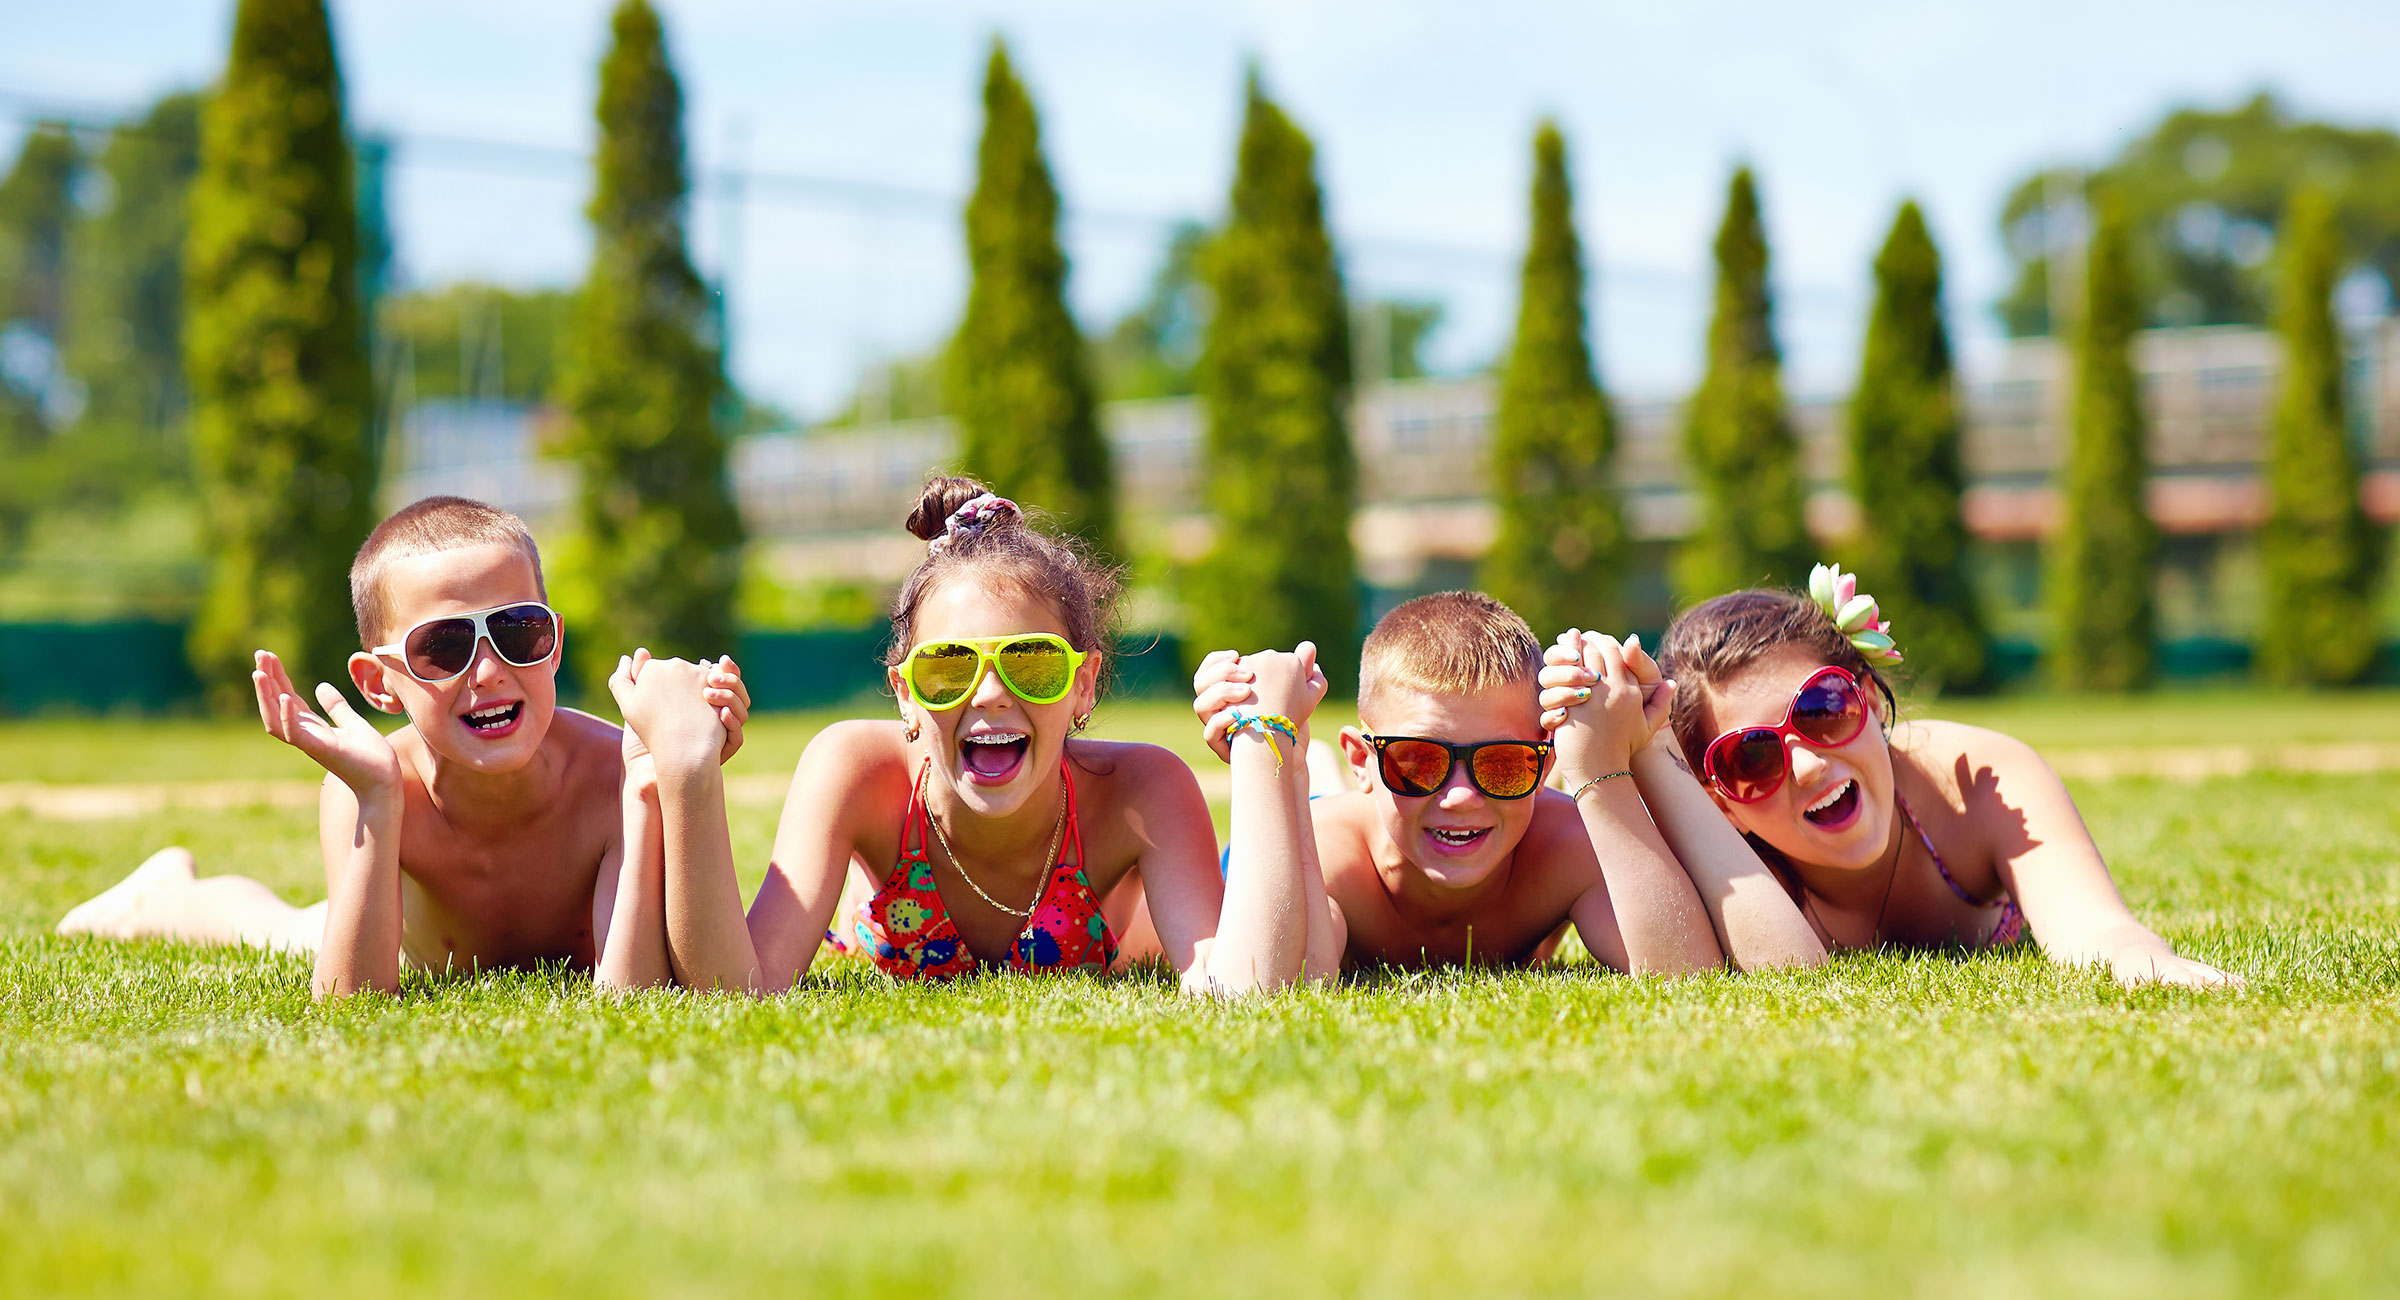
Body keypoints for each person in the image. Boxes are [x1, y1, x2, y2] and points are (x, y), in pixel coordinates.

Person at [608, 476, 1327, 996]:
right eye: (948, 668)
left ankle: (1317, 775)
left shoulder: (1142, 791)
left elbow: (1243, 991)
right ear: (905, 694)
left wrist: (1265, 743)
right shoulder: (854, 770)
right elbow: (735, 991)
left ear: (1083, 684)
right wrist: (688, 770)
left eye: (1032, 664)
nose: (989, 694)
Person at [54, 496, 749, 998]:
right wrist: (377, 799)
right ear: (379, 685)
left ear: (555, 643)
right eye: (443, 646)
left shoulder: (612, 773)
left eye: (518, 631)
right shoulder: (375, 784)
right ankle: (160, 894)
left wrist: (643, 790)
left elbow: (634, 1001)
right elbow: (350, 1002)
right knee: (281, 930)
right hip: (398, 936)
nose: (489, 671)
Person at [1539, 563, 2239, 988]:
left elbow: (2098, 934)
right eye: (1751, 758)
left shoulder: (1979, 781)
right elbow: (1724, 983)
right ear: (1718, 801)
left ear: (1871, 701)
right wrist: (1651, 751)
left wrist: (2149, 966)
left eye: (1824, 709)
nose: (1807, 763)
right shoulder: (1716, 850)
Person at [1192, 590, 1743, 974]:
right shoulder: (1324, 858)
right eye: (1417, 762)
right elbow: (1279, 983)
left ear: (1544, 766)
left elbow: (1686, 974)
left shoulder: (1566, 846)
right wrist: (1282, 770)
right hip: (1306, 821)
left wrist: (1606, 770)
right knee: (1315, 798)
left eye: (1503, 764)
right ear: (1363, 760)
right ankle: (1311, 763)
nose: (1460, 796)